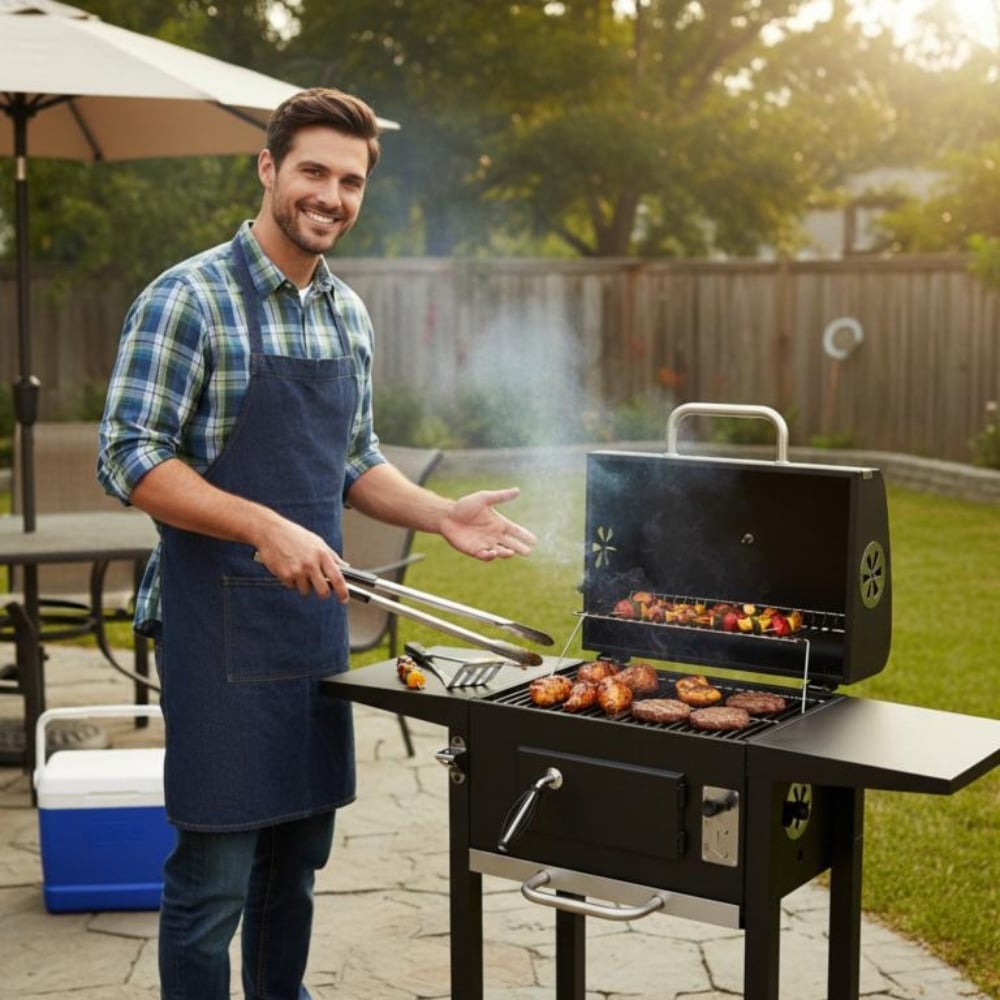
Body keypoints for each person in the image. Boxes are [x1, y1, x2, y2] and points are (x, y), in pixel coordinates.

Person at [97, 87, 536, 1000]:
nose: (330, 195)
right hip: (212, 630)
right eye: (312, 172)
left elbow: (354, 460)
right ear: (268, 169)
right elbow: (128, 457)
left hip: (309, 629)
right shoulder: (188, 298)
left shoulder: (347, 314)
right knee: (214, 881)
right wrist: (261, 523)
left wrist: (437, 514)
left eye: (350, 180)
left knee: (295, 866)